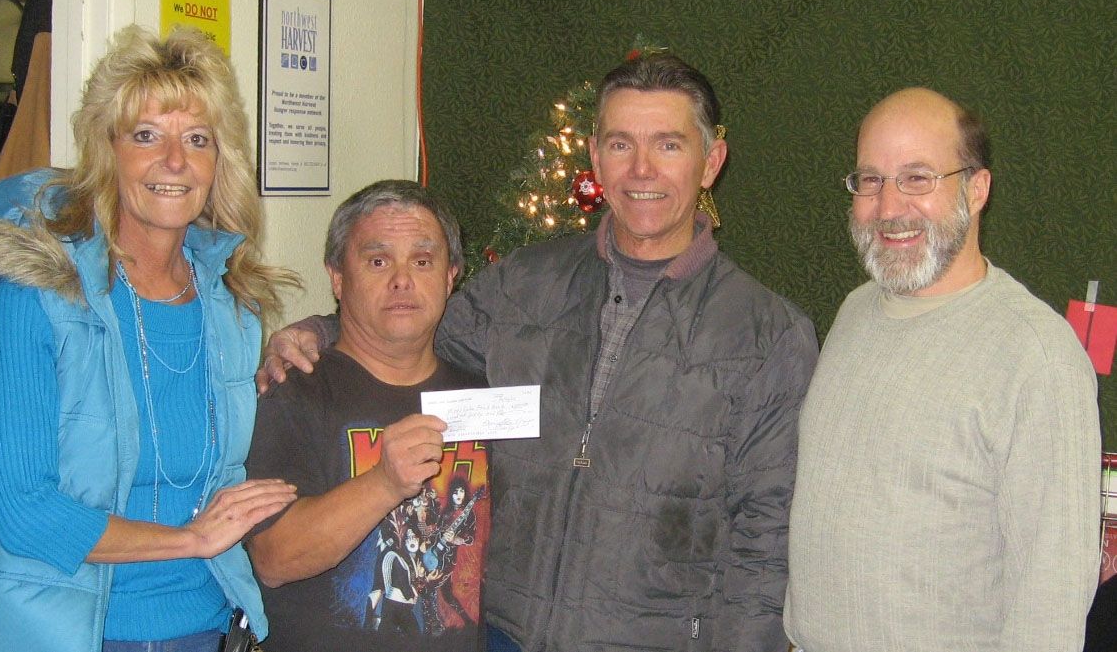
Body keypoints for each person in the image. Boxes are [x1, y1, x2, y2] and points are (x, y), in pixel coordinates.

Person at [259, 54, 818, 651]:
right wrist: (321, 330)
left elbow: (766, 540)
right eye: (621, 144)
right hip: (502, 635)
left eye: (669, 146)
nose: (642, 170)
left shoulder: (768, 335)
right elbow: (411, 327)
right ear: (596, 158)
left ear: (711, 163)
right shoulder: (524, 285)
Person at [0, 25, 299, 652]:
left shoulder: (230, 304)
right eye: (147, 136)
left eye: (197, 139)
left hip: (206, 627)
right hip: (71, 634)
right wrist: (190, 539)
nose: (175, 162)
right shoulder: (40, 289)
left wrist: (308, 339)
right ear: (108, 149)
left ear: (219, 161)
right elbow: (22, 513)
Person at [784, 87, 1101, 651]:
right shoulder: (856, 311)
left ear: (976, 189)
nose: (888, 207)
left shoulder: (1038, 358)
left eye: (917, 178)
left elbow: (1050, 608)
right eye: (871, 180)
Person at [245, 180, 490, 652]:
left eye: (422, 261)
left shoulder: (479, 393)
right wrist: (383, 483)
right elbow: (273, 558)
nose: (402, 280)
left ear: (450, 276)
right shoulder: (294, 389)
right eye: (378, 261)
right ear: (337, 277)